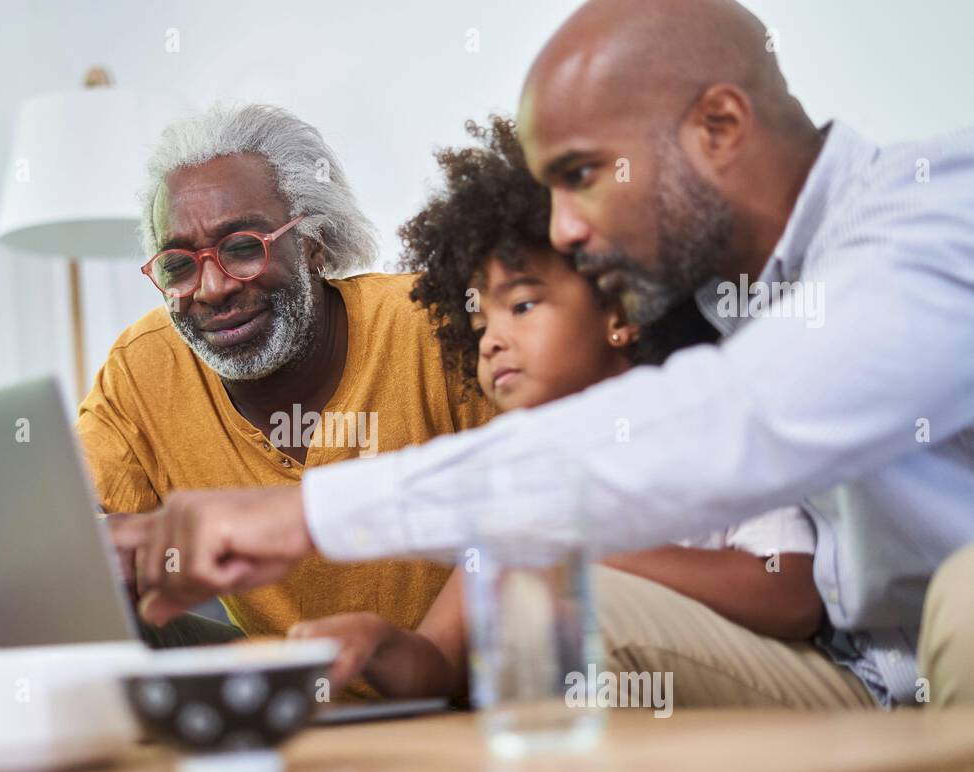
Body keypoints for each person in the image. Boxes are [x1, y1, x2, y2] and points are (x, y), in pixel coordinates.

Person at [113, 0, 974, 708]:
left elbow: (738, 421)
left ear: (719, 125)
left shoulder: (935, 220)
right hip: (863, 677)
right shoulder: (712, 297)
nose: (563, 226)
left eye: (585, 174)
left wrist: (306, 514)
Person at [287, 116, 848, 703]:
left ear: (621, 314)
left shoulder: (707, 421)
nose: (492, 341)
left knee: (557, 599)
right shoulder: (526, 474)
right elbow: (440, 663)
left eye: (523, 305)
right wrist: (377, 642)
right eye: (480, 324)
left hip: (786, 695)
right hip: (650, 718)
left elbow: (793, 597)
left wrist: (582, 552)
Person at [74, 103, 493, 660]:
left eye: (244, 247)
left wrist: (425, 662)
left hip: (465, 678)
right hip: (286, 683)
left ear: (315, 243)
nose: (212, 288)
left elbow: (535, 505)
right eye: (178, 264)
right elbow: (76, 520)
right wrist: (98, 547)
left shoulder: (435, 322)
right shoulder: (144, 365)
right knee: (92, 622)